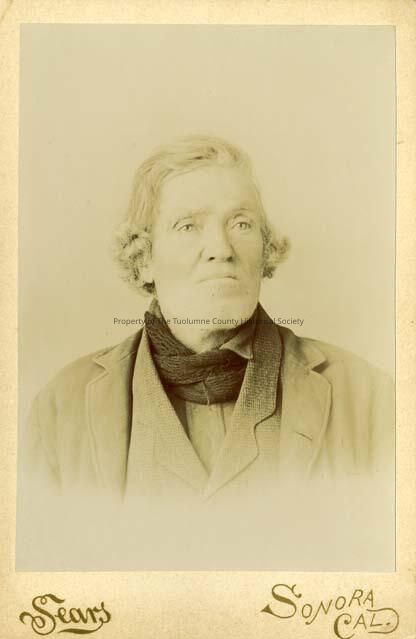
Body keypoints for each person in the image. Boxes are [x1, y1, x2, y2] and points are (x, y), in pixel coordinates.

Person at [20, 135, 394, 569]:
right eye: (188, 226)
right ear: (144, 258)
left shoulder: (368, 399)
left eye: (241, 224)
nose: (221, 249)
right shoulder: (61, 409)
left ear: (266, 251)